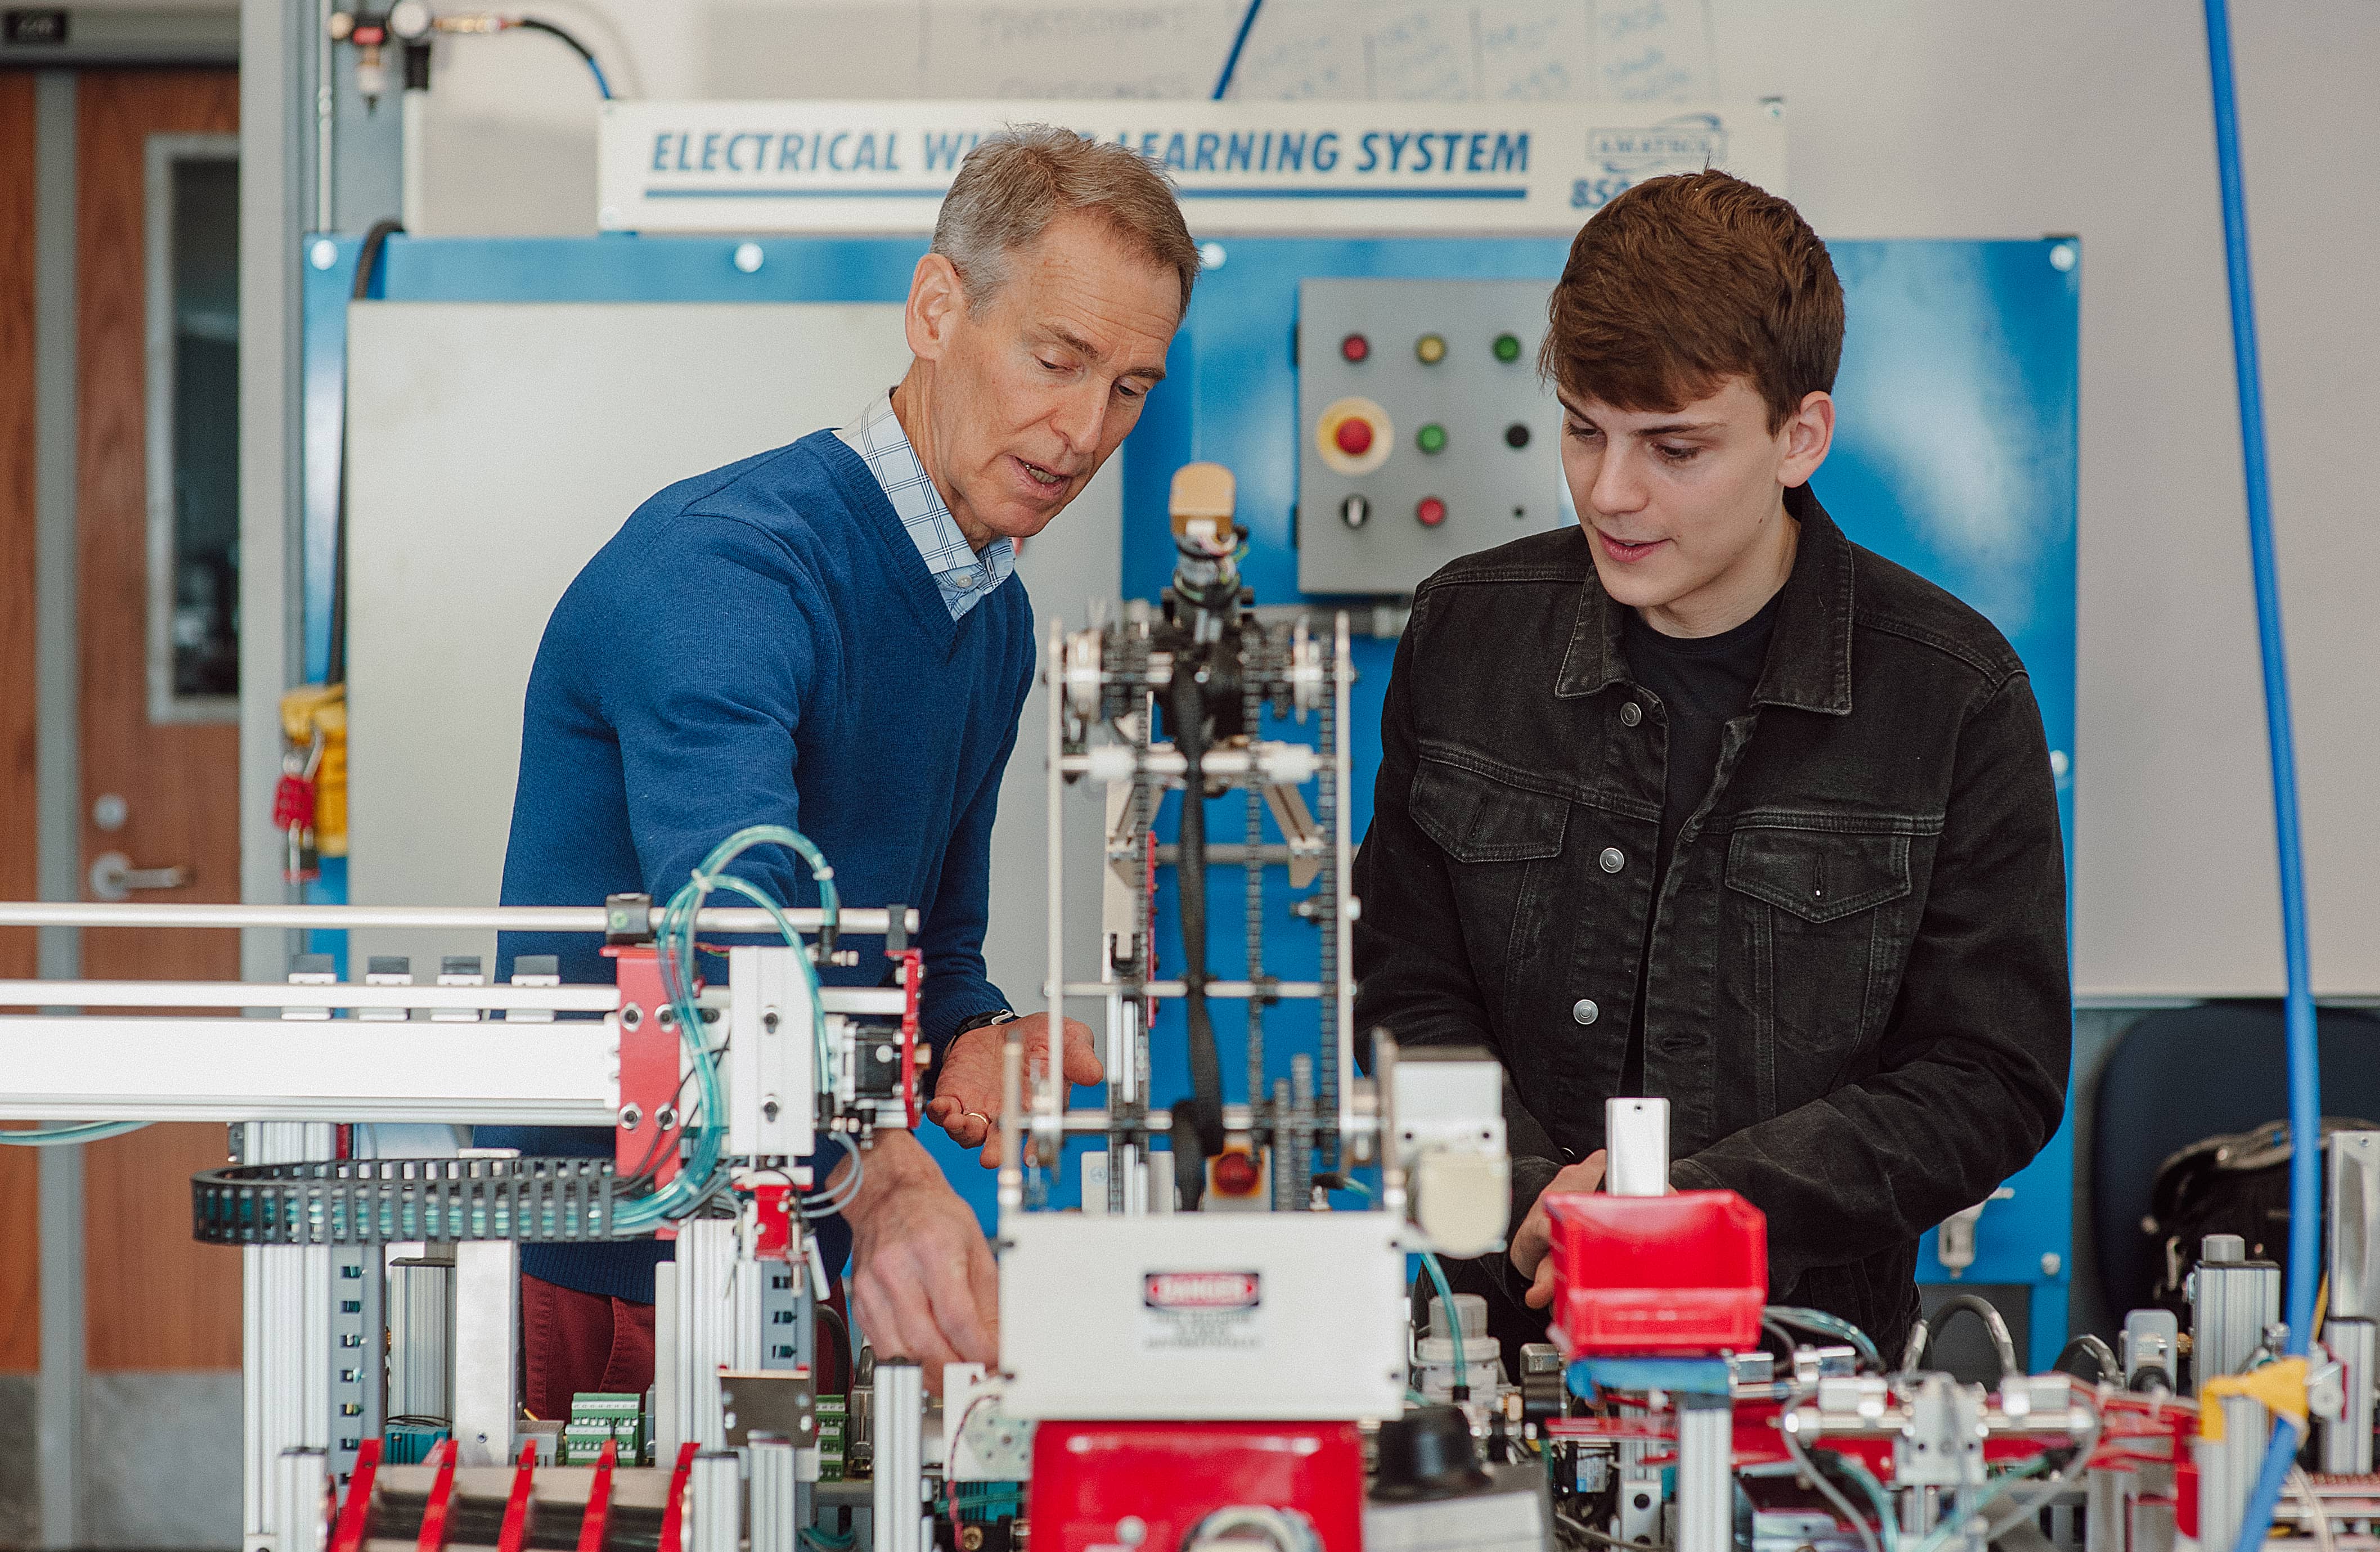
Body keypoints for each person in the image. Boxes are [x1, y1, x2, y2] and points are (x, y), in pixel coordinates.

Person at [486, 127, 1199, 1418]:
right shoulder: (727, 574)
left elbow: (929, 943)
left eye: (1131, 388)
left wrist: (972, 1034)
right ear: (937, 309)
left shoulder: (992, 615)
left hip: (802, 1231)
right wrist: (882, 1179)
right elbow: (736, 940)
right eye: (1058, 361)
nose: (1085, 430)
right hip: (625, 1266)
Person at [1353, 171, 2069, 1370]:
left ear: (1801, 437)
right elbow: (1402, 996)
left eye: (1674, 447)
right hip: (1491, 1353)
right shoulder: (1465, 637)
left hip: (1797, 1376)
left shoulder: (1953, 694)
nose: (1610, 492)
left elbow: (1986, 1072)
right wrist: (1526, 1190)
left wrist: (1700, 1207)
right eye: (1583, 428)